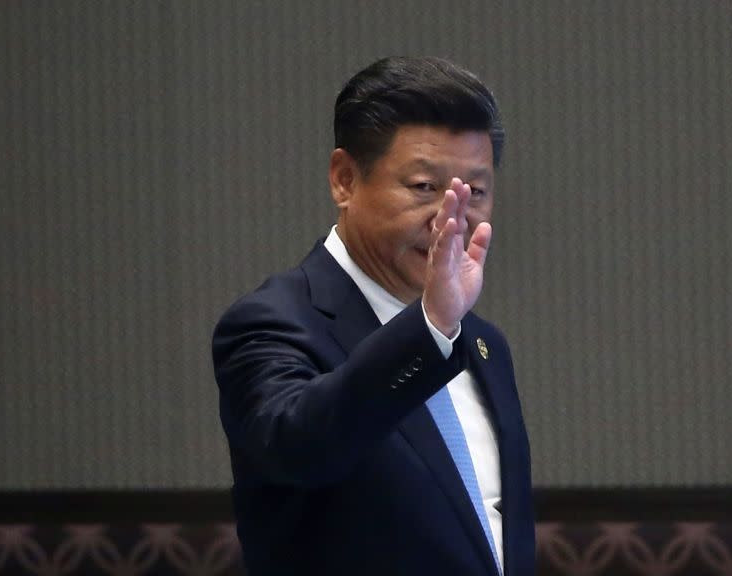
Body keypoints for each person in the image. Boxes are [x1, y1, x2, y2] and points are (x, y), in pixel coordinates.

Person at [212, 56, 534, 576]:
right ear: (344, 179)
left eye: (474, 192)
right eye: (425, 188)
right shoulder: (271, 323)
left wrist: (441, 327)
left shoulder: (481, 343)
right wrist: (429, 329)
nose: (451, 217)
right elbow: (300, 449)